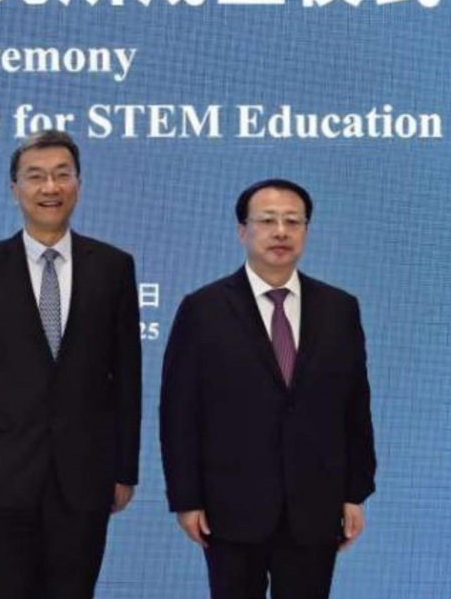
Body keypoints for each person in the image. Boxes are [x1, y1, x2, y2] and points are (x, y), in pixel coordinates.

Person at [0, 130, 142, 599]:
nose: (49, 187)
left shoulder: (113, 267)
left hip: (85, 474)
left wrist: (124, 469)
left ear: (78, 184)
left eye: (61, 174)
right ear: (15, 188)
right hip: (1, 471)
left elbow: (127, 378)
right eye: (35, 176)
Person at [159, 179, 376, 599]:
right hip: (230, 506)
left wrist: (355, 492)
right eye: (268, 221)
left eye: (293, 222)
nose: (281, 232)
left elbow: (355, 406)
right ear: (243, 231)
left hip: (315, 503)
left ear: (306, 231)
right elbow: (179, 412)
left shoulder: (339, 308)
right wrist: (186, 498)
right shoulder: (203, 309)